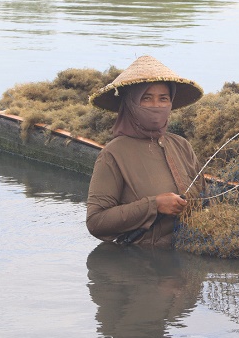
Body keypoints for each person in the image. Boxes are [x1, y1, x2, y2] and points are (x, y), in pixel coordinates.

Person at [86, 55, 205, 246]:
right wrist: (154, 205)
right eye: (146, 99)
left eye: (163, 99)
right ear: (131, 103)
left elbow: (204, 199)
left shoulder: (182, 145)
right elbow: (96, 222)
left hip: (189, 253)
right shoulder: (113, 154)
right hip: (141, 263)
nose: (156, 106)